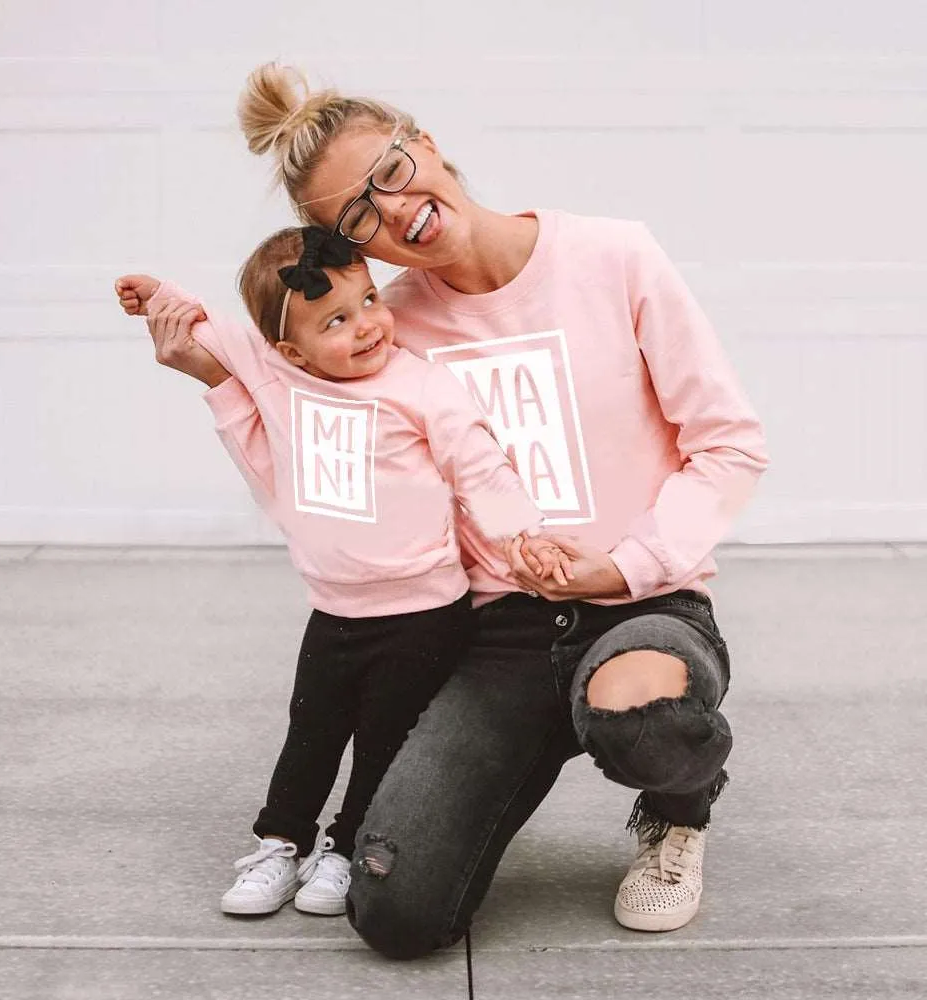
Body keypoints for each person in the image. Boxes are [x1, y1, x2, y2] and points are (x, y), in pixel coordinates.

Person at [128, 61, 769, 955]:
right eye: (356, 216)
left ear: (424, 145)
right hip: (496, 634)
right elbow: (319, 467)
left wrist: (625, 565)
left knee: (648, 717)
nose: (393, 211)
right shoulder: (375, 331)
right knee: (395, 912)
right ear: (343, 245)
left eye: (389, 172)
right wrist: (216, 371)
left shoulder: (614, 257)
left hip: (643, 607)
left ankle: (676, 814)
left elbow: (730, 445)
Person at [115, 226, 568, 919]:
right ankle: (278, 844)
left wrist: (522, 534)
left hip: (424, 614)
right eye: (336, 321)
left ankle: (343, 847)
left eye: (367, 302)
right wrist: (156, 298)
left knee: (382, 743)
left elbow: (477, 463)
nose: (365, 326)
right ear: (292, 348)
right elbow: (212, 328)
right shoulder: (276, 369)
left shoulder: (421, 385)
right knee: (312, 735)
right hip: (335, 613)